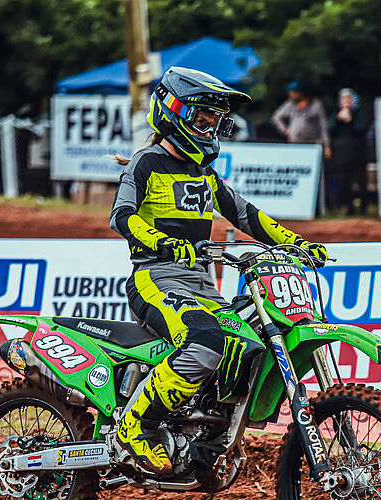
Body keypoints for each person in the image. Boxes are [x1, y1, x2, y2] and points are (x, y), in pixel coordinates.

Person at [110, 67, 328, 475]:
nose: (209, 127)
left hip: (200, 283)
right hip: (155, 277)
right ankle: (136, 425)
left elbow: (247, 215)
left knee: (246, 344)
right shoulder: (146, 162)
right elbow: (121, 216)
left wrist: (295, 242)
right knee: (205, 342)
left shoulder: (204, 173)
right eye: (202, 118)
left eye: (215, 120)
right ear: (172, 111)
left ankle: (204, 436)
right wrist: (162, 241)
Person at [327, 88, 370, 214]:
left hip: (358, 154)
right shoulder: (336, 114)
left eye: (348, 99)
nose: (345, 101)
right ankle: (349, 207)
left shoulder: (359, 114)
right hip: (341, 155)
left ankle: (363, 208)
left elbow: (361, 128)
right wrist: (338, 119)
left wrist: (350, 120)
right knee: (344, 181)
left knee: (361, 181)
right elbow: (329, 130)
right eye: (343, 99)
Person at [271, 81, 331, 159]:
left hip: (313, 145)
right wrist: (285, 130)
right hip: (295, 144)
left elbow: (323, 126)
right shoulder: (290, 104)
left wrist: (327, 146)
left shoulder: (316, 104)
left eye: (292, 92)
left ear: (301, 92)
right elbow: (276, 117)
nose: (290, 94)